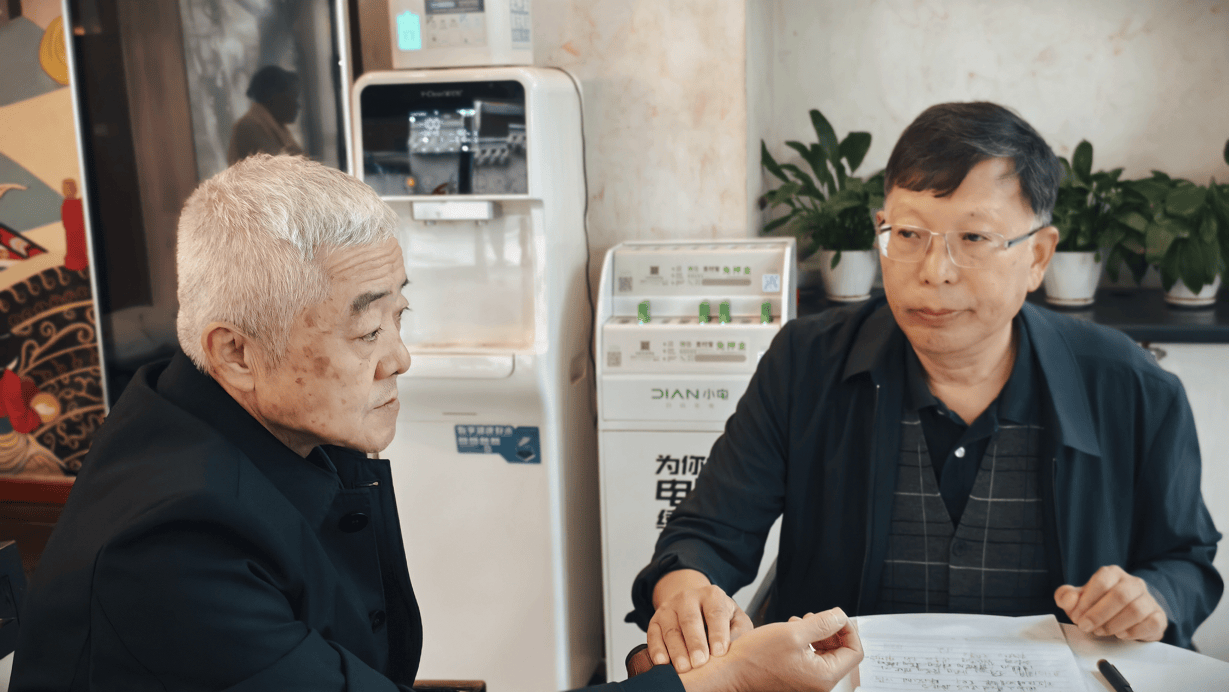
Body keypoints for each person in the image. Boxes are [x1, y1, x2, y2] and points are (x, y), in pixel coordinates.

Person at [11, 154, 863, 692]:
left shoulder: (266, 425)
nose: (400, 358)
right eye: (364, 331)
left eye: (400, 316)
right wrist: (727, 683)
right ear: (234, 351)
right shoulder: (173, 545)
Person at [631, 101, 1223, 673]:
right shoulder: (805, 363)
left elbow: (1187, 563)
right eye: (909, 234)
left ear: (1038, 256)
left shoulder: (1131, 386)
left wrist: (1152, 598)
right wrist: (688, 593)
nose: (934, 271)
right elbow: (708, 535)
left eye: (974, 238)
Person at [227, 65, 305, 165]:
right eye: (293, 97)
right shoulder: (249, 127)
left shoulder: (275, 126)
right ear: (275, 96)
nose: (298, 105)